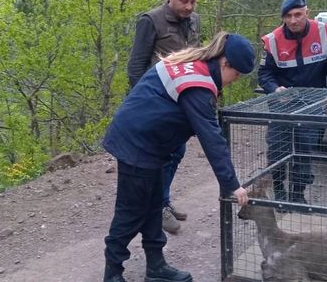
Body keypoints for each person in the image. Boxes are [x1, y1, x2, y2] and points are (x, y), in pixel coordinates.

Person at [103, 32, 253, 282]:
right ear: (225, 62)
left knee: (154, 207)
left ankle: (156, 266)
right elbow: (211, 139)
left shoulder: (195, 65)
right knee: (131, 212)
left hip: (153, 146)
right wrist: (232, 185)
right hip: (137, 145)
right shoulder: (199, 83)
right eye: (236, 75)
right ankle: (113, 273)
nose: (233, 81)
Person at [127, 0, 201, 234]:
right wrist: (141, 105)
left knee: (176, 153)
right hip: (156, 102)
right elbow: (136, 65)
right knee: (159, 156)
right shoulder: (151, 20)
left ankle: (164, 201)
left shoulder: (194, 20)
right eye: (184, 1)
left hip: (181, 101)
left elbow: (195, 57)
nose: (189, 6)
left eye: (192, 1)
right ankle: (157, 209)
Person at [258, 0, 327, 204]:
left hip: (312, 103)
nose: (293, 20)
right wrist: (274, 89)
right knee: (278, 149)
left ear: (307, 12)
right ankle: (279, 192)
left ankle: (298, 195)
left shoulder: (323, 32)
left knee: (305, 149)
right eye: (288, 16)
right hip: (282, 104)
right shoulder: (273, 40)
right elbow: (263, 74)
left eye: (298, 14)